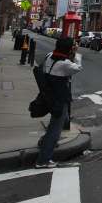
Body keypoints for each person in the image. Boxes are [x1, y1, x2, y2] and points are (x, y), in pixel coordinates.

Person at [35, 37, 83, 168]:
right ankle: (43, 160)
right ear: (68, 48)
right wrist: (77, 53)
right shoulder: (65, 64)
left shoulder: (49, 56)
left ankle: (44, 142)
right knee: (55, 129)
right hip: (59, 99)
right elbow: (78, 68)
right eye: (72, 46)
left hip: (50, 96)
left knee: (59, 121)